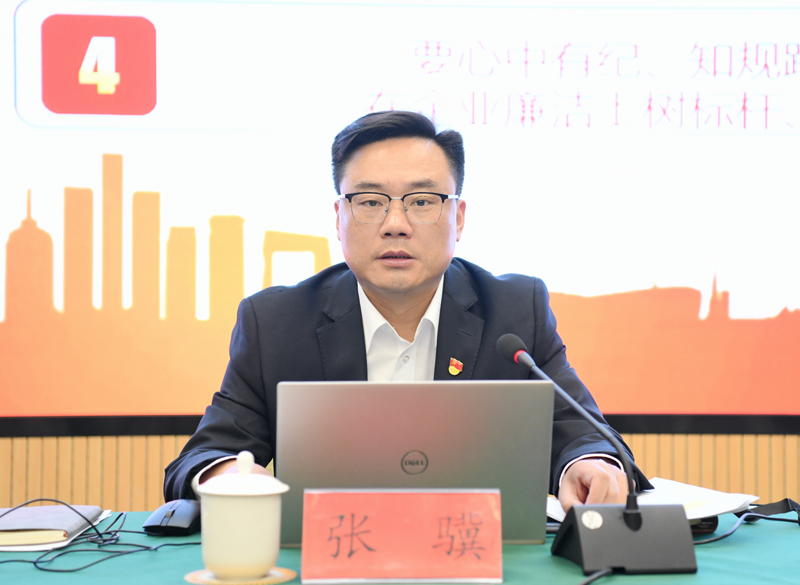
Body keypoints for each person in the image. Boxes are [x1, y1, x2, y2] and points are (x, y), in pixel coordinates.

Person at [164, 110, 651, 512]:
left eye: (421, 201)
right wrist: (225, 475)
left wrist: (590, 465)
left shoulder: (515, 312)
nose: (395, 223)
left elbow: (583, 434)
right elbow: (203, 456)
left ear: (458, 217)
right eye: (370, 201)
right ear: (339, 216)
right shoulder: (275, 323)